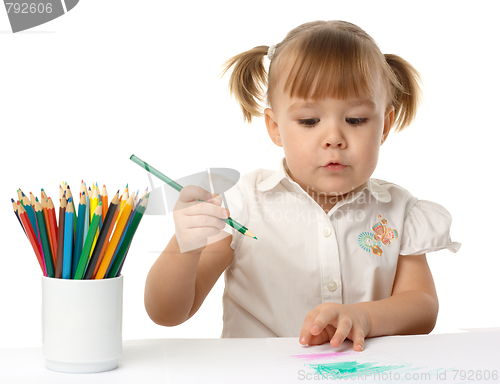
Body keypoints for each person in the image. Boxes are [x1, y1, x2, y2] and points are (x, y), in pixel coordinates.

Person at [144, 20, 461, 351]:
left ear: (385, 126)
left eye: (356, 120)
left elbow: (422, 307)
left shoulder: (399, 210)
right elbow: (166, 313)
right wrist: (185, 248)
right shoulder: (240, 205)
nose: (334, 138)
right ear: (275, 127)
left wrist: (364, 317)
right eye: (309, 121)